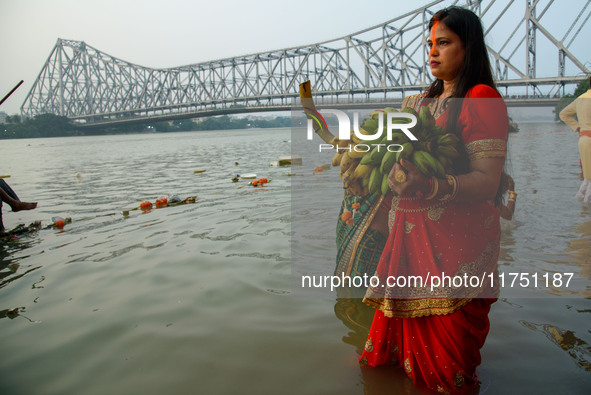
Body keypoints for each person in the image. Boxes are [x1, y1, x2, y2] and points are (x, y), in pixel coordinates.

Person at [358, 7, 509, 393]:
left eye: (444, 43)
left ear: (468, 47)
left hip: (455, 252)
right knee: (391, 363)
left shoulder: (481, 97)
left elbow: (487, 182)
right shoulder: (418, 104)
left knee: (449, 376)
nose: (432, 52)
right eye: (430, 44)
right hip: (409, 243)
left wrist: (429, 186)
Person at [559, 77, 591, 204]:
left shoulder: (581, 98)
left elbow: (563, 114)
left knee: (588, 178)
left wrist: (577, 127)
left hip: (583, 140)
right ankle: (587, 210)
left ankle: (579, 206)